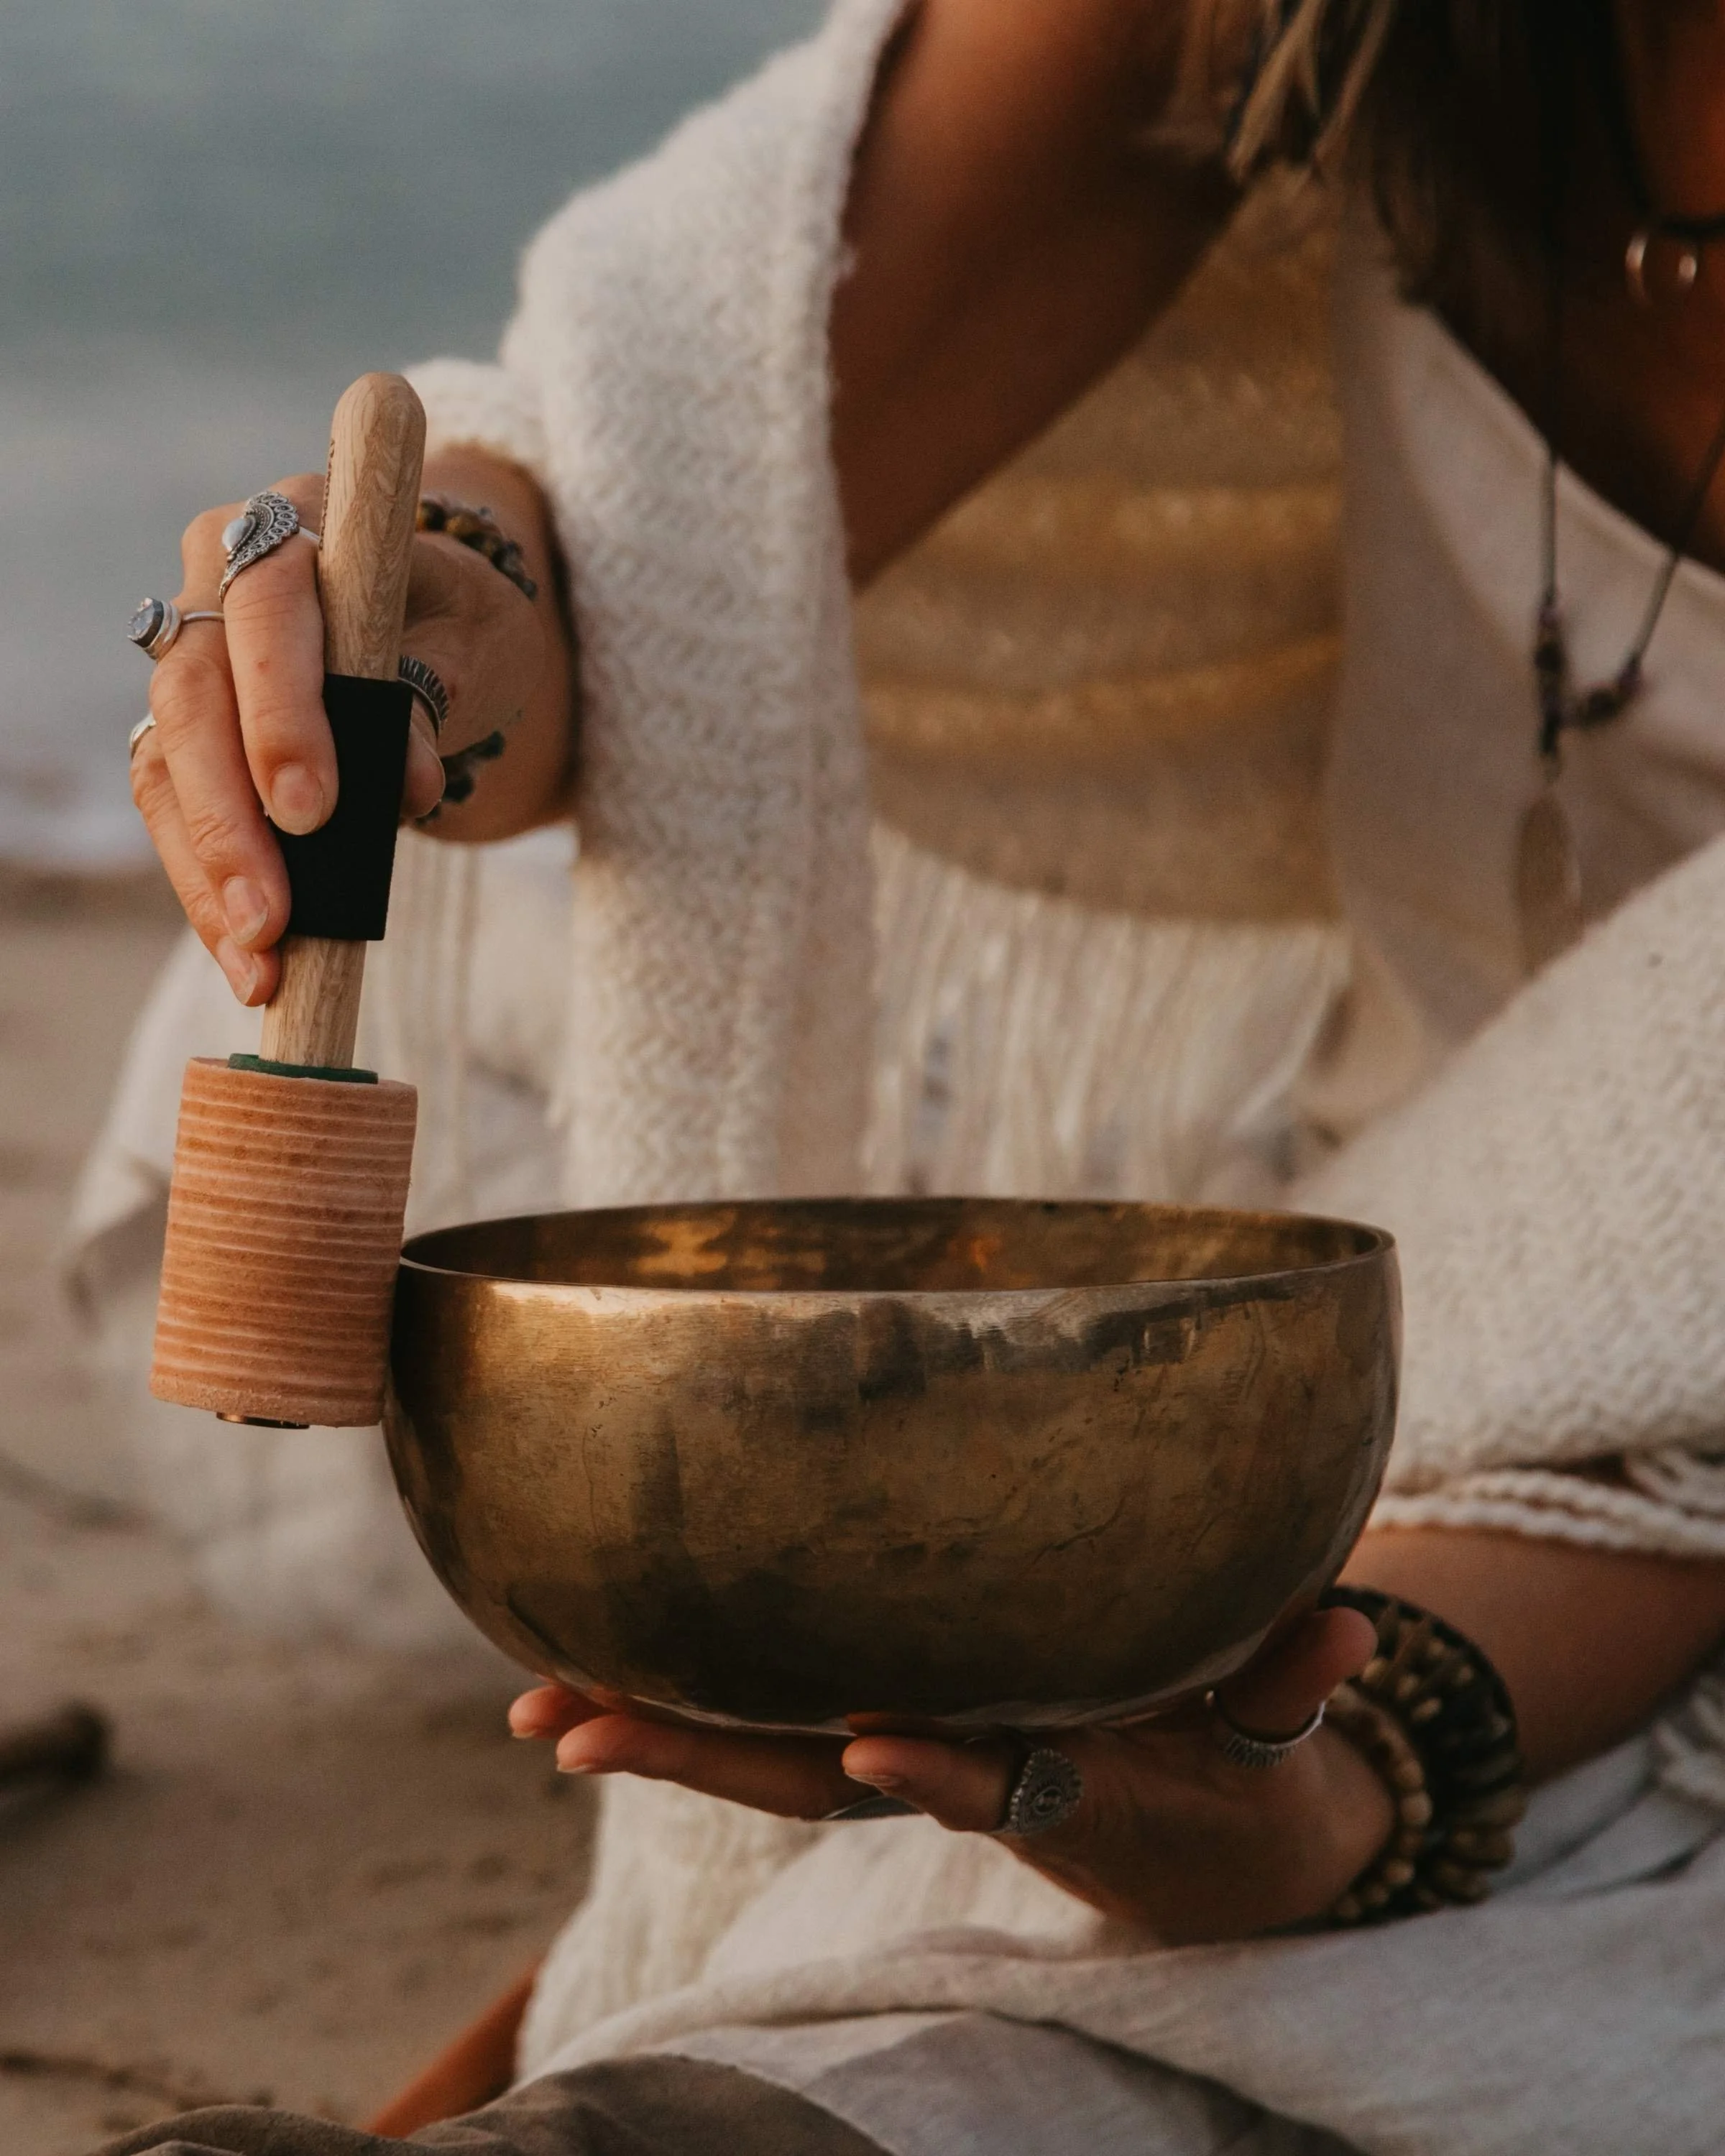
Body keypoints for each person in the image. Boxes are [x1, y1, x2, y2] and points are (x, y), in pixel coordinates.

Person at [96, 1, 1725, 2150]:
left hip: (1592, 1358)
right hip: (1381, 1206)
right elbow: (697, 512)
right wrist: (441, 606)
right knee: (249, 1042)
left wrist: (1356, 1774)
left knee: (1273, 1954)